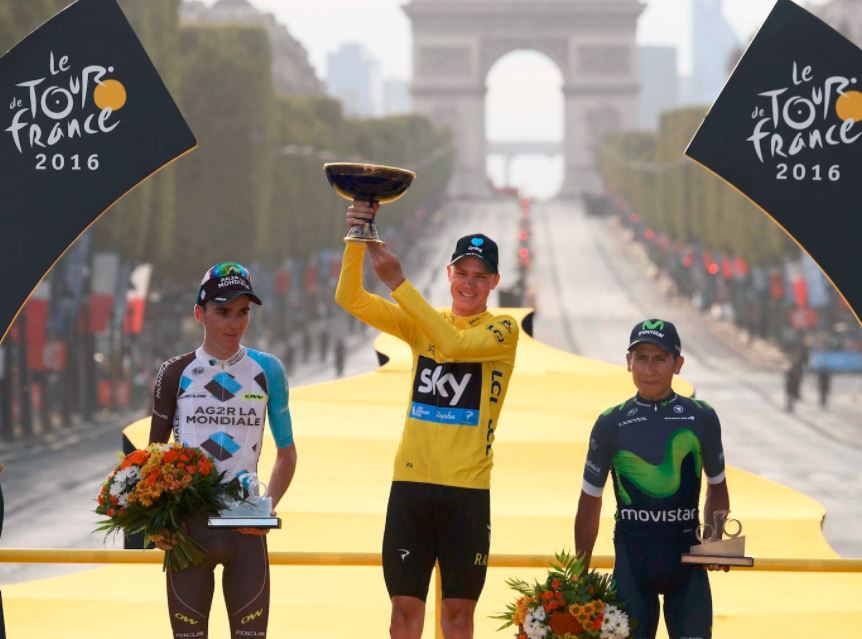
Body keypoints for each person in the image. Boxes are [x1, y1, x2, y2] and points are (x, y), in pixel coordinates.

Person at [335, 201, 520, 639]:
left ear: (495, 282)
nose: (470, 284)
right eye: (463, 273)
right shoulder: (424, 321)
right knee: (403, 615)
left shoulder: (503, 330)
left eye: (480, 276)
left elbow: (454, 345)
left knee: (457, 619)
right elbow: (350, 297)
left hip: (467, 492)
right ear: (448, 274)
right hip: (411, 487)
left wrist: (399, 282)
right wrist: (357, 239)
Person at [148, 262, 298, 639]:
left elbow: (287, 454)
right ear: (200, 313)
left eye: (243, 312)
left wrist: (268, 506)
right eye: (223, 311)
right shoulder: (174, 372)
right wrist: (156, 522)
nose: (235, 323)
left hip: (246, 530)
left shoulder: (269, 370)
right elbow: (151, 457)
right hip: (188, 529)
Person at [574, 319, 730, 639]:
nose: (649, 369)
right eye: (641, 358)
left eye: (660, 358)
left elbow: (718, 486)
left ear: (678, 364)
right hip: (632, 567)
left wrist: (714, 540)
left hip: (688, 567)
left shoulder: (701, 417)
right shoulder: (610, 423)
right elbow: (590, 501)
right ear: (628, 361)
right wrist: (579, 571)